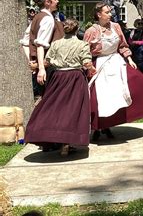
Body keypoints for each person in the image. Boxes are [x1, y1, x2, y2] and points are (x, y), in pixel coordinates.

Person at [25, 18, 96, 156]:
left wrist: (35, 66)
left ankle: (50, 136)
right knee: (72, 111)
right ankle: (66, 143)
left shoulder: (56, 43)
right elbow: (86, 62)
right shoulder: (82, 44)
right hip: (75, 78)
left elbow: (47, 61)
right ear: (76, 30)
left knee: (54, 108)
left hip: (58, 78)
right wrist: (93, 69)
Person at [84, 2, 143, 141]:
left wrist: (129, 59)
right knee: (102, 96)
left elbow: (122, 45)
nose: (110, 14)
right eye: (107, 12)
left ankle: (112, 123)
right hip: (101, 63)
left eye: (110, 12)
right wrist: (89, 66)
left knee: (136, 83)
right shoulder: (92, 31)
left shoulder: (116, 26)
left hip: (116, 61)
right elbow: (84, 51)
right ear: (99, 14)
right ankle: (100, 126)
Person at [28, 0, 65, 97]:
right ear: (47, 2)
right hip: (48, 70)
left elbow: (26, 42)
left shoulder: (37, 17)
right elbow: (40, 45)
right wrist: (41, 69)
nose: (57, 1)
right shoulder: (48, 19)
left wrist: (32, 62)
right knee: (52, 104)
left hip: (42, 67)